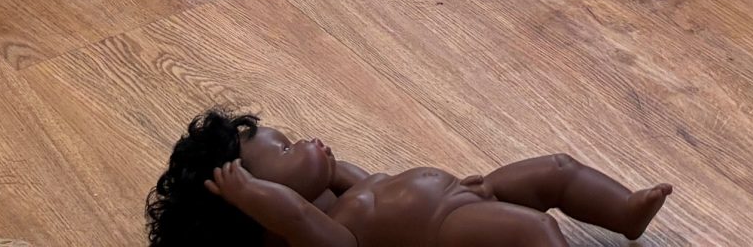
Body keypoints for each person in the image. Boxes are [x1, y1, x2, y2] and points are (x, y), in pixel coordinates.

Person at [145, 109, 671, 247]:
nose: (306, 143)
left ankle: (625, 211)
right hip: (448, 232)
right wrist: (253, 197)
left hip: (470, 193)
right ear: (262, 204)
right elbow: (297, 217)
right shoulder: (317, 235)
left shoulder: (335, 190)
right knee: (534, 231)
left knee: (556, 169)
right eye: (285, 150)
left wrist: (324, 166)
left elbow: (370, 179)